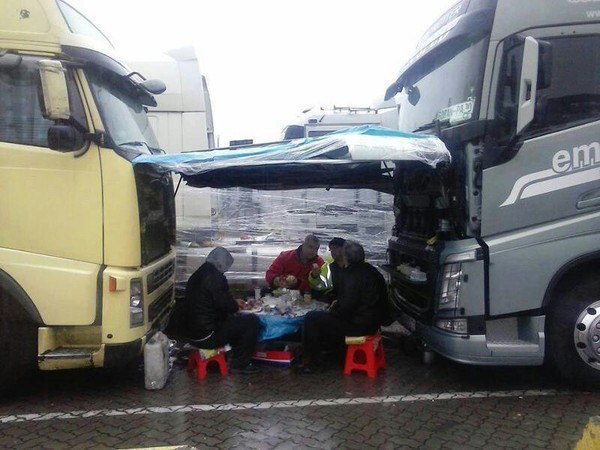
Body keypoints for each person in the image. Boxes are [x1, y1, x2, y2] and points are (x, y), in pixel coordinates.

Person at [300, 240, 390, 373]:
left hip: (359, 326)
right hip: (374, 323)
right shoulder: (373, 272)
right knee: (323, 318)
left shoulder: (351, 275)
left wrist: (333, 310)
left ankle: (314, 363)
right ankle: (336, 353)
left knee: (312, 318)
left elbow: (346, 307)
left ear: (346, 258)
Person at [184, 247, 260, 375]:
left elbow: (213, 301)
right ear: (221, 263)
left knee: (236, 321)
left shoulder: (198, 274)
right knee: (251, 321)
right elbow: (226, 305)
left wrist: (233, 303)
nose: (226, 270)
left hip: (191, 334)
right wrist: (236, 306)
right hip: (208, 336)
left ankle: (232, 355)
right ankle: (240, 364)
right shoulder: (216, 277)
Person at [309, 237, 346, 303]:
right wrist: (315, 277)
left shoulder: (357, 265)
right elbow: (319, 286)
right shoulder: (328, 266)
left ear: (345, 249)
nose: (332, 251)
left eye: (335, 248)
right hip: (333, 300)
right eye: (331, 249)